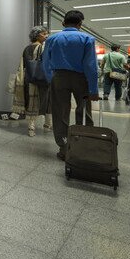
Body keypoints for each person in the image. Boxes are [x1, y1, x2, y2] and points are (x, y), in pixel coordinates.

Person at [43, 10, 99, 160]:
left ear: (63, 23)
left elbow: (46, 63)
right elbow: (91, 66)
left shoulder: (52, 39)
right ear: (80, 24)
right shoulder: (87, 38)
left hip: (59, 77)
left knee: (60, 112)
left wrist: (51, 79)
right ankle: (84, 145)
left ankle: (64, 148)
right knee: (84, 111)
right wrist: (93, 89)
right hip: (81, 78)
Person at [11, 26, 52, 136]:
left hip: (28, 78)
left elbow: (23, 65)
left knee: (31, 102)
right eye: (44, 34)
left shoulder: (26, 48)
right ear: (38, 35)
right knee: (46, 101)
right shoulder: (42, 48)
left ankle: (31, 126)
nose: (46, 36)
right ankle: (48, 124)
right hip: (41, 79)